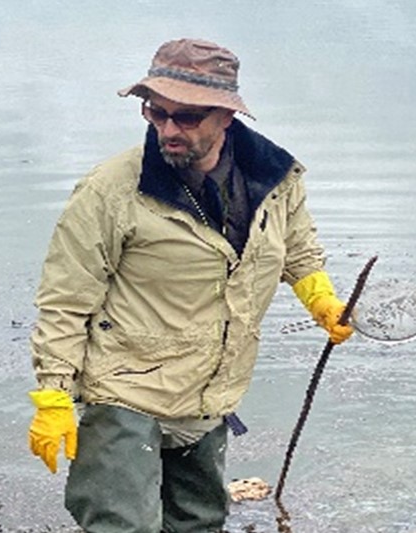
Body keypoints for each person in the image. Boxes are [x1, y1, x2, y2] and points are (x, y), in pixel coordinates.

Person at [27, 38, 354, 533]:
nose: (167, 129)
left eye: (186, 117)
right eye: (155, 113)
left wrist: (322, 300)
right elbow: (65, 298)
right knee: (123, 525)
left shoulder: (277, 180)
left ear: (226, 115)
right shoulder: (111, 191)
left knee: (200, 522)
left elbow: (299, 251)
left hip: (211, 392)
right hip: (125, 389)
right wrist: (53, 394)